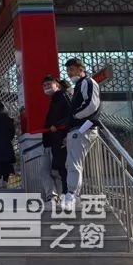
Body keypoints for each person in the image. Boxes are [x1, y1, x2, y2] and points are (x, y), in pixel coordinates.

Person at [61, 57, 100, 213]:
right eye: (68, 70)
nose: (69, 73)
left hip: (84, 127)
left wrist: (75, 115)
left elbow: (92, 104)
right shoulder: (79, 85)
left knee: (74, 162)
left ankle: (71, 195)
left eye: (71, 69)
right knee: (71, 163)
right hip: (77, 129)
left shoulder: (88, 82)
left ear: (80, 68)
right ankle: (74, 197)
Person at [39, 75, 71, 207]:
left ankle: (64, 195)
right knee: (52, 170)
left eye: (49, 84)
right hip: (52, 140)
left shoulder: (63, 96)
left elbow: (70, 115)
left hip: (60, 138)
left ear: (57, 85)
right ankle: (56, 197)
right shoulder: (54, 100)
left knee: (60, 168)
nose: (46, 87)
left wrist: (57, 126)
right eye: (44, 85)